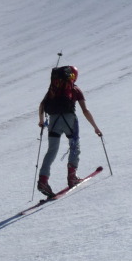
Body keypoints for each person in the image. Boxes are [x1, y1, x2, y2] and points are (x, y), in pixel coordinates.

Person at [37, 65, 102, 197]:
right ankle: (72, 177)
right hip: (69, 120)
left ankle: (43, 180)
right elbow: (85, 110)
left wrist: (41, 121)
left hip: (53, 122)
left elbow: (42, 105)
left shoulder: (52, 90)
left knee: (51, 151)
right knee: (74, 145)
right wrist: (95, 127)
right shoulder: (75, 89)